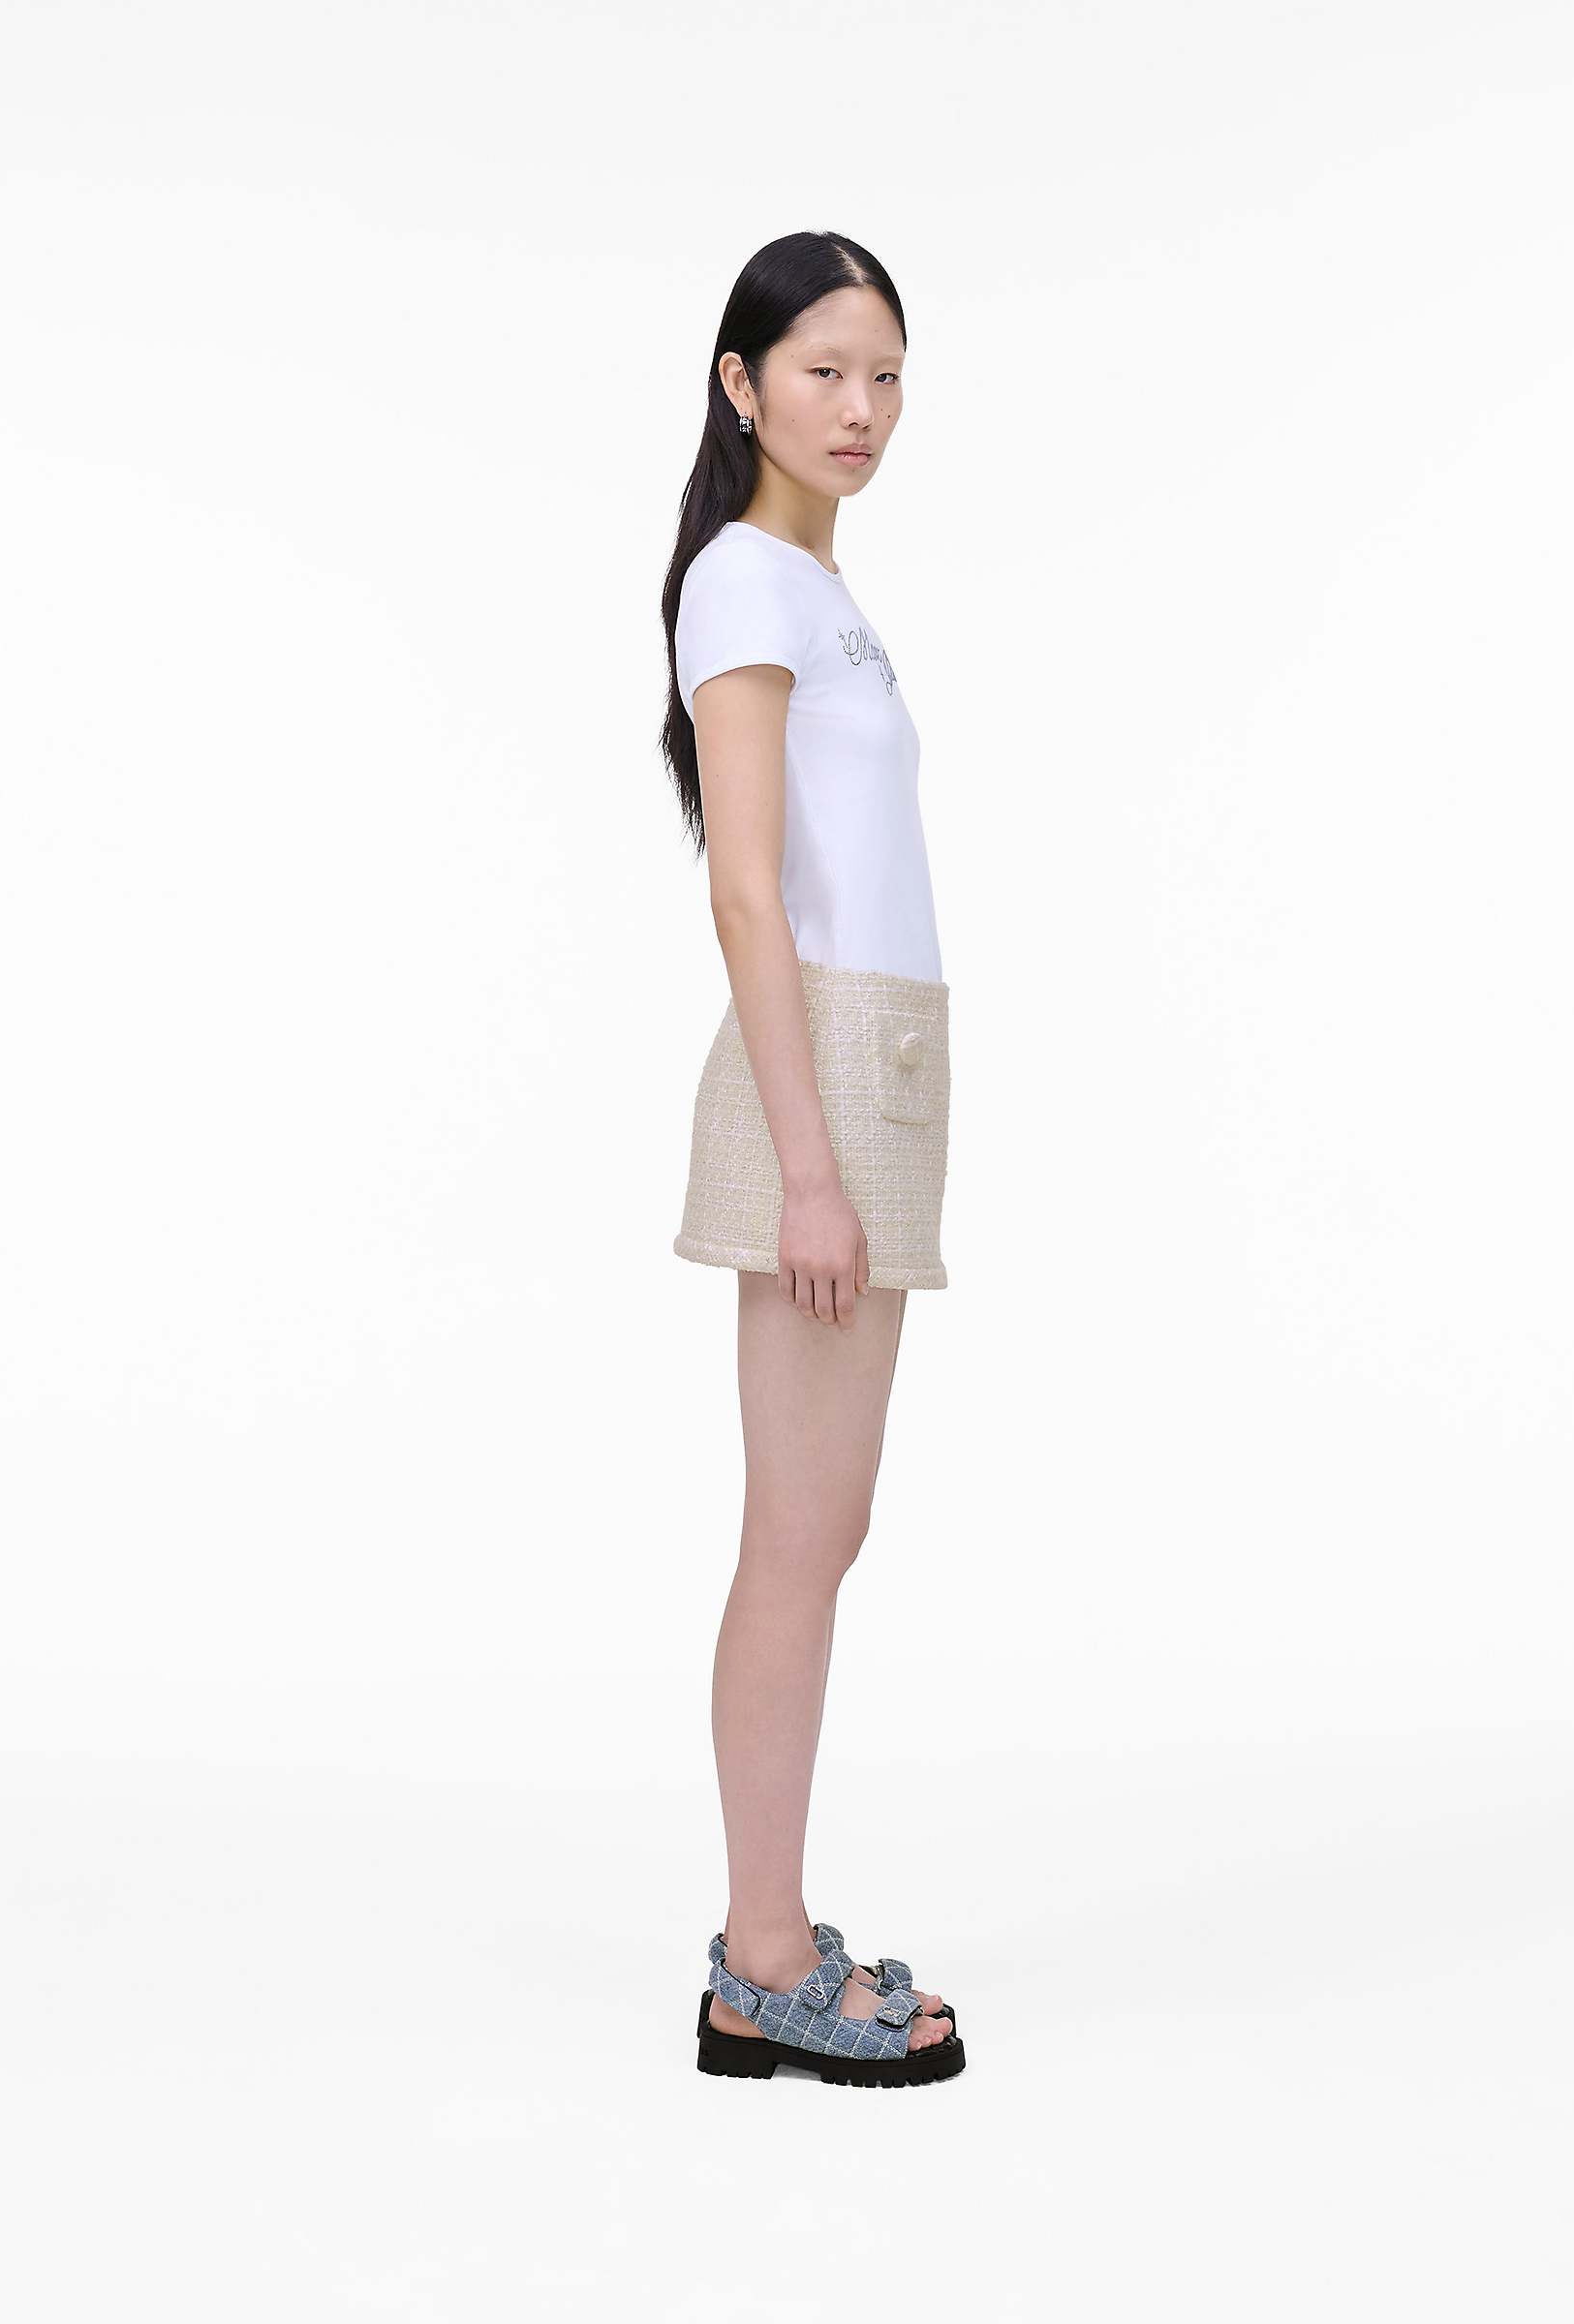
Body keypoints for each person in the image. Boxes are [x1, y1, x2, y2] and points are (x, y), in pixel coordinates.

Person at [659, 232, 966, 2089]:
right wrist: (810, 1170)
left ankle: (765, 1944)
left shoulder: (818, 587)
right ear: (742, 383)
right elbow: (747, 894)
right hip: (823, 1088)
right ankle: (760, 1962)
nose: (862, 409)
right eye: (825, 370)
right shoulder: (744, 582)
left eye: (887, 375)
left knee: (823, 1526)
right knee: (796, 1531)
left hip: (877, 1071)